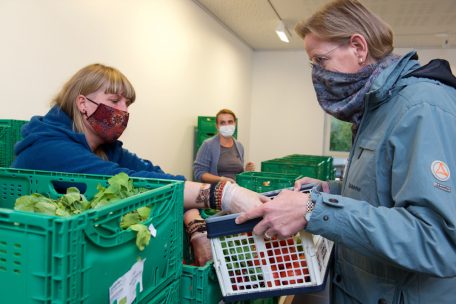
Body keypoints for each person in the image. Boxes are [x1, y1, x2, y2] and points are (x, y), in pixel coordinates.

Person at [236, 0, 456, 303]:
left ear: (358, 47)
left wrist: (315, 210)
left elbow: (437, 241)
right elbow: (385, 194)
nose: (317, 74)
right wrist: (329, 190)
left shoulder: (421, 107)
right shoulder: (376, 110)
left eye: (320, 61)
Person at [12, 63, 268, 265]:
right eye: (114, 101)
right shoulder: (50, 149)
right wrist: (224, 194)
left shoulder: (106, 148)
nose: (123, 111)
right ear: (83, 104)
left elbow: (155, 178)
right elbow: (132, 184)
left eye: (127, 104)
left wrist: (196, 226)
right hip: (30, 256)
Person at [193, 108, 255, 184]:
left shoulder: (239, 146)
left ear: (235, 123)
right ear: (217, 126)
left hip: (236, 189)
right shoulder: (208, 145)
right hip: (216, 191)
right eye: (222, 123)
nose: (227, 125)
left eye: (230, 122)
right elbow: (198, 173)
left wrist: (246, 171)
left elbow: (237, 173)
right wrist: (220, 179)